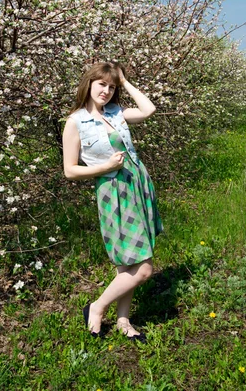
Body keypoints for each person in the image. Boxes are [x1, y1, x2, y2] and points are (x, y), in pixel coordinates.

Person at [62, 61, 163, 342]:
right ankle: (97, 307)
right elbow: (70, 170)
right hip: (112, 191)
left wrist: (125, 81)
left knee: (127, 264)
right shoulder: (76, 122)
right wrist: (104, 168)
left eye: (111, 86)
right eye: (101, 84)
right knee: (142, 269)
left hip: (136, 184)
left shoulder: (116, 112)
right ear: (89, 83)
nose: (106, 91)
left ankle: (123, 320)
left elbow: (148, 110)